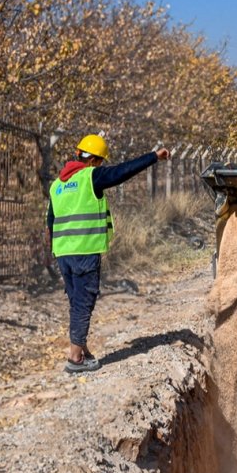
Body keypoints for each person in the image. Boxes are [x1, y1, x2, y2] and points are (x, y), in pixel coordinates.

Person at [47, 134, 171, 373]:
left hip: (63, 253)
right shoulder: (90, 176)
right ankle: (75, 358)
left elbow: (50, 220)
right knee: (84, 301)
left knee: (76, 301)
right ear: (93, 160)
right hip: (85, 250)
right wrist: (154, 157)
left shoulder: (57, 185)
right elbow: (122, 171)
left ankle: (81, 348)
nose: (102, 166)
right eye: (101, 162)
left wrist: (55, 250)